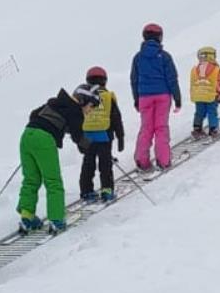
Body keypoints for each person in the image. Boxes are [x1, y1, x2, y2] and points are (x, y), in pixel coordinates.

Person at [19, 84, 95, 233]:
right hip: (44, 140)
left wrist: (54, 126)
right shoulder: (75, 111)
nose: (90, 110)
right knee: (53, 181)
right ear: (83, 100)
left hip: (27, 135)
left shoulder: (56, 101)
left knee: (31, 179)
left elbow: (34, 114)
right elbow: (79, 138)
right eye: (91, 106)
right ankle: (56, 220)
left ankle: (27, 217)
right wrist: (92, 148)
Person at [131, 23, 181, 171]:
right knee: (161, 127)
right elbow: (172, 78)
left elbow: (134, 80)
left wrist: (136, 99)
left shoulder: (138, 57)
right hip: (162, 96)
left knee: (146, 128)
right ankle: (164, 160)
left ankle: (142, 160)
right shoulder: (164, 56)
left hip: (144, 97)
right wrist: (177, 98)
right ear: (160, 37)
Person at [79, 65, 124, 204]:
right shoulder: (108, 96)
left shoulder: (83, 97)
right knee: (105, 164)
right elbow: (116, 118)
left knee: (88, 164)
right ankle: (107, 190)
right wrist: (120, 136)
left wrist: (78, 139)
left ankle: (86, 191)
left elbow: (77, 118)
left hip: (87, 136)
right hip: (104, 136)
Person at [190, 46, 220, 137]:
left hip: (198, 95)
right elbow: (218, 82)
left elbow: (193, 82)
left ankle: (197, 128)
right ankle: (213, 129)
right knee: (212, 112)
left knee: (199, 112)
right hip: (211, 95)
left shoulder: (195, 69)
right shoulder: (217, 69)